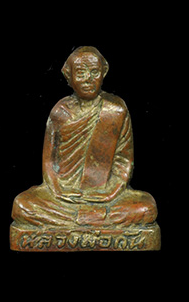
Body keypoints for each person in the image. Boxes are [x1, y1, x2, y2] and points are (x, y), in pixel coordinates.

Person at [11, 46, 157, 228]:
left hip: (104, 195)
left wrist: (110, 193)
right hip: (63, 196)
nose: (88, 79)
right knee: (22, 205)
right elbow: (49, 162)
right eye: (80, 73)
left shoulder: (116, 110)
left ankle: (73, 221)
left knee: (146, 207)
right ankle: (90, 220)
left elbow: (124, 162)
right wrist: (58, 190)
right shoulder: (60, 112)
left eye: (94, 72)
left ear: (103, 74)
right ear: (69, 76)